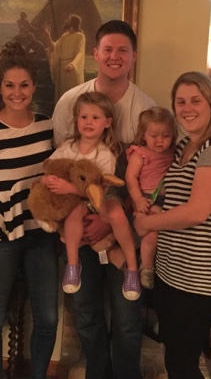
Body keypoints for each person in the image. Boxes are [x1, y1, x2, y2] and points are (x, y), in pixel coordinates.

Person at [52, 19, 155, 379]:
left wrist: (109, 219)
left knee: (127, 317)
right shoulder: (69, 102)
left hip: (123, 226)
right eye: (108, 49)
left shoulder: (145, 108)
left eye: (122, 50)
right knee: (86, 313)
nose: (114, 56)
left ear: (133, 56)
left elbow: (149, 177)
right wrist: (81, 214)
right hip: (79, 228)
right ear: (95, 53)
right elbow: (63, 166)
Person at [134, 71, 211, 379]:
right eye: (180, 102)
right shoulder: (182, 146)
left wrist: (146, 223)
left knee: (183, 363)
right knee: (174, 357)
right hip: (171, 269)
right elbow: (168, 196)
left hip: (199, 277)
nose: (187, 108)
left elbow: (197, 212)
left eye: (196, 100)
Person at [0, 42, 58, 379]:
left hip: (41, 233)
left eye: (24, 85)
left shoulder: (46, 126)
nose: (17, 93)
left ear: (34, 86)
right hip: (0, 236)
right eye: (9, 85)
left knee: (48, 318)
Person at [45, 91, 140, 300]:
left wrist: (70, 188)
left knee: (117, 214)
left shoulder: (105, 154)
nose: (88, 122)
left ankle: (132, 268)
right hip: (73, 203)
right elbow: (50, 167)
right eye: (84, 117)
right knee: (74, 213)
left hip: (99, 199)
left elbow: (99, 191)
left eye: (95, 117)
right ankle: (73, 265)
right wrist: (49, 180)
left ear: (107, 122)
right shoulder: (67, 147)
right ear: (76, 120)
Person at [125, 106, 176, 289]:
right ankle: (146, 268)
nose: (160, 141)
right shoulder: (140, 154)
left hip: (168, 200)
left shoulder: (174, 152)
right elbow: (130, 178)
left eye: (166, 136)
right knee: (152, 233)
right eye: (154, 136)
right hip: (146, 199)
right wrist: (138, 199)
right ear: (143, 134)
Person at [44, 14, 86, 102]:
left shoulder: (80, 36)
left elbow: (80, 52)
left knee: (73, 96)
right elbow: (53, 47)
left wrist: (72, 64)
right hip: (62, 70)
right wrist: (48, 34)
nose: (66, 21)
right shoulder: (64, 36)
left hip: (72, 70)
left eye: (68, 20)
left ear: (73, 23)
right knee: (62, 96)